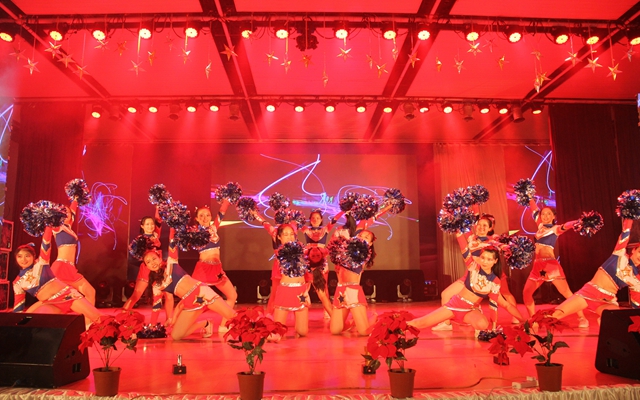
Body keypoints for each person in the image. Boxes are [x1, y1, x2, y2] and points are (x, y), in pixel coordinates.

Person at [409, 233, 524, 331]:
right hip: (454, 307)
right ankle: (398, 328)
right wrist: (458, 231)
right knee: (419, 323)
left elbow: (496, 306)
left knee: (483, 324)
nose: (485, 262)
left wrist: (523, 321)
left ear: (495, 261)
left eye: (489, 259)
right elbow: (464, 248)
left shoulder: (495, 281)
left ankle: (477, 325)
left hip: (470, 311)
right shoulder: (473, 267)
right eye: (483, 258)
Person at [144, 228, 236, 340]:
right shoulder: (156, 286)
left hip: (203, 293)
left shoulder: (171, 263)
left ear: (160, 258)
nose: (152, 263)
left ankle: (254, 331)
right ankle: (205, 323)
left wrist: (173, 226)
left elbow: (172, 241)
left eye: (154, 259)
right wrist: (152, 326)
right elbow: (156, 307)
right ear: (146, 266)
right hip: (189, 303)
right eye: (148, 262)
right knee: (176, 336)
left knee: (232, 316)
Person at [432, 213, 518, 331]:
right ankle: (447, 323)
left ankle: (515, 317)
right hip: (469, 277)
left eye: (485, 226)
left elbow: (504, 247)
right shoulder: (471, 238)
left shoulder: (492, 241)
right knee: (445, 294)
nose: (481, 227)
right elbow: (464, 224)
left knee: (506, 295)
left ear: (490, 228)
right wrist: (455, 214)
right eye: (479, 225)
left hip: (487, 277)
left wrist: (512, 249)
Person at [552, 218, 640, 323]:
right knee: (555, 315)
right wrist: (629, 217)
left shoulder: (636, 279)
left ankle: (604, 326)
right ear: (634, 250)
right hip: (589, 292)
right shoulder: (620, 255)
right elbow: (625, 232)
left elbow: (636, 307)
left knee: (614, 319)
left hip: (607, 301)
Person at [13, 226, 101, 323]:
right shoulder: (17, 283)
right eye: (19, 256)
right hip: (50, 303)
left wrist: (48, 226)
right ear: (16, 258)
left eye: (27, 256)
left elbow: (46, 243)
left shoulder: (41, 263)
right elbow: (18, 307)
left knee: (98, 318)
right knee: (37, 322)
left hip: (68, 296)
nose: (23, 260)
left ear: (33, 256)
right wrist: (15, 324)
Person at [522, 199, 588, 327]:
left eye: (549, 214)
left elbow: (566, 225)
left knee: (566, 292)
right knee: (526, 292)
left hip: (550, 266)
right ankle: (533, 319)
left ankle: (582, 318)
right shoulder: (540, 227)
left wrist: (578, 222)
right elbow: (534, 210)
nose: (545, 216)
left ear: (554, 216)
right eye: (543, 214)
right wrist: (530, 197)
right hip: (537, 266)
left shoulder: (555, 229)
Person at [122, 210, 175, 326]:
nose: (150, 226)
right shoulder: (140, 239)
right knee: (136, 295)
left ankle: (169, 320)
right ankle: (121, 318)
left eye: (151, 224)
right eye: (147, 224)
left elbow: (158, 219)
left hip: (160, 269)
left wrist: (158, 205)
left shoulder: (156, 235)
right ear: (142, 226)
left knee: (168, 294)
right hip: (147, 269)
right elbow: (134, 251)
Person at [191, 201, 238, 332]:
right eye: (201, 216)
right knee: (196, 302)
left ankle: (224, 325)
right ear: (196, 218)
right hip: (203, 269)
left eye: (207, 215)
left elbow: (222, 213)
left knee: (232, 295)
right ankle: (186, 324)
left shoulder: (213, 228)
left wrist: (227, 200)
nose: (205, 218)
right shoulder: (195, 232)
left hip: (217, 269)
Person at [330, 228, 378, 336]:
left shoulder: (363, 253)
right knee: (335, 330)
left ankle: (373, 319)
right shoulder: (346, 248)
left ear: (370, 244)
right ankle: (353, 322)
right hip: (341, 289)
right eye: (360, 235)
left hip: (353, 291)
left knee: (364, 332)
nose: (362, 238)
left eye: (366, 237)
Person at [51, 200, 96, 305]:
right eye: (63, 212)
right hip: (61, 267)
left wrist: (75, 198)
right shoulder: (58, 227)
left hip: (70, 268)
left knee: (90, 292)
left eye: (68, 212)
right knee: (55, 301)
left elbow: (73, 210)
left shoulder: (68, 227)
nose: (66, 214)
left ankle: (88, 316)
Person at [300, 209, 344, 317]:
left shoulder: (325, 229)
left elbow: (334, 219)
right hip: (308, 261)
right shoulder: (306, 230)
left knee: (323, 287)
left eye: (317, 218)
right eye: (313, 218)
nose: (315, 220)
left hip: (322, 262)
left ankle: (327, 311)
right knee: (304, 285)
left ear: (321, 220)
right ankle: (300, 308)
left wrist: (343, 211)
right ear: (310, 220)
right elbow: (295, 222)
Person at [272, 224, 311, 338]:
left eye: (291, 234)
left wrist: (306, 290)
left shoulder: (301, 250)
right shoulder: (280, 252)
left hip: (300, 290)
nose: (289, 237)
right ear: (279, 237)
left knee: (303, 332)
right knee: (277, 333)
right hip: (286, 290)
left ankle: (298, 328)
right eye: (285, 234)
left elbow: (306, 272)